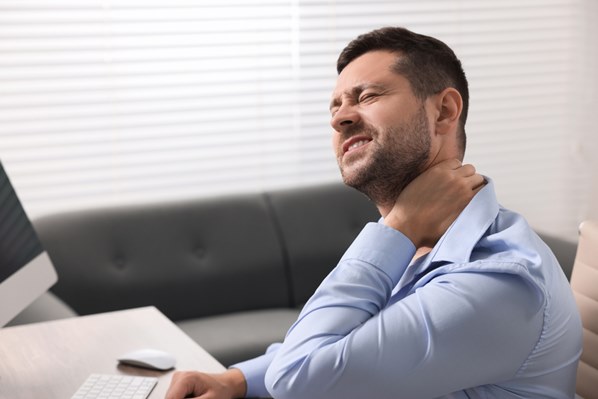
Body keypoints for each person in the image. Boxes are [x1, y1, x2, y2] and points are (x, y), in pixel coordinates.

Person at [166, 27, 582, 399]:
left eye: (367, 96)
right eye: (335, 107)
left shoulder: (500, 282)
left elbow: (298, 380)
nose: (341, 118)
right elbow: (349, 340)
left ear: (443, 111)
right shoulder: (421, 235)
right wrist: (236, 380)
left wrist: (399, 226)